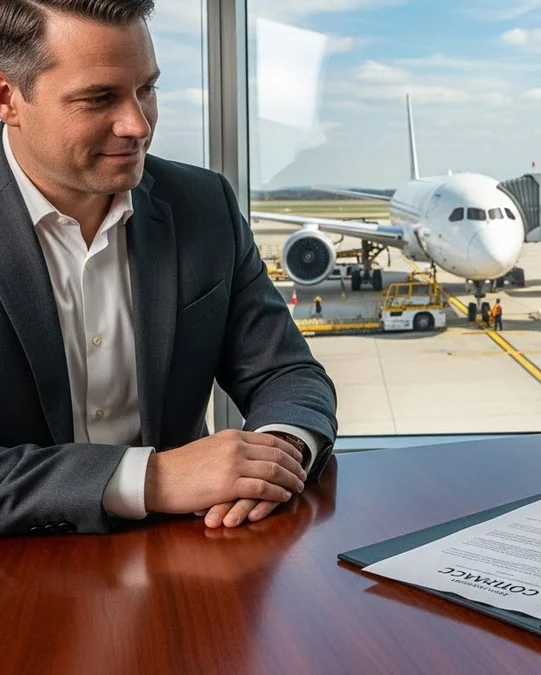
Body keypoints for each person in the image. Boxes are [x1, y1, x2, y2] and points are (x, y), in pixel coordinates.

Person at [0, 0, 338, 536]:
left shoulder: (204, 204)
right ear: (9, 99)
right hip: (24, 572)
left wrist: (278, 455)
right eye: (99, 98)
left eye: (147, 90)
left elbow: (285, 372)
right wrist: (151, 479)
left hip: (190, 552)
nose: (137, 124)